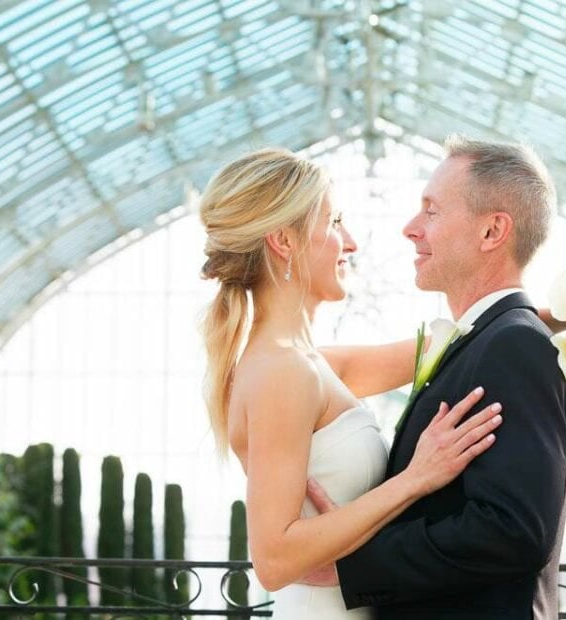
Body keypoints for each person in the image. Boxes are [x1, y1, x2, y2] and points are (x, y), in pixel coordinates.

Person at [199, 147, 504, 619]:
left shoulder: (310, 365)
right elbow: (274, 559)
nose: (351, 241)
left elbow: (449, 343)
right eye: (334, 221)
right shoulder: (284, 372)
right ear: (285, 241)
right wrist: (416, 479)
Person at [308, 136, 566, 619]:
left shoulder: (514, 345)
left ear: (492, 231)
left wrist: (353, 563)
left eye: (431, 211)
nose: (411, 229)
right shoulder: (486, 340)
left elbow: (513, 530)